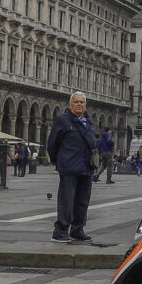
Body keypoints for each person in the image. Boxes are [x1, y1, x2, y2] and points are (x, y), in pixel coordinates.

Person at [46, 92, 98, 243]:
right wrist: (59, 162)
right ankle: (60, 231)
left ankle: (77, 229)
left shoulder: (88, 121)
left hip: (86, 167)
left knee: (82, 200)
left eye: (82, 102)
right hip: (69, 167)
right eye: (76, 102)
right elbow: (52, 144)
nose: (79, 104)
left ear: (85, 105)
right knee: (66, 201)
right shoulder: (63, 120)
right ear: (70, 105)